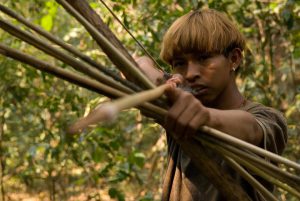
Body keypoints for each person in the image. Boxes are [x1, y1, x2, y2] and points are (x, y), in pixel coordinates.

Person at [136, 9, 287, 201]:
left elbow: (250, 129)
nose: (190, 74)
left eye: (203, 58)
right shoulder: (175, 100)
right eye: (180, 63)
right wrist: (157, 80)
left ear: (234, 58)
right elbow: (137, 65)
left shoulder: (268, 119)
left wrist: (205, 117)